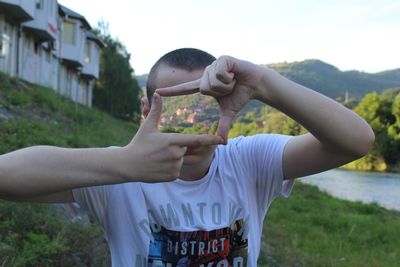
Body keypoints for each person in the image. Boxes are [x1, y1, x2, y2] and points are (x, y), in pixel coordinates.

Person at [0, 48, 374, 266]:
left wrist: (262, 83)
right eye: (176, 109)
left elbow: (355, 141)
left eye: (206, 108)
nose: (192, 127)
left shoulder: (248, 160)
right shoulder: (117, 173)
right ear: (146, 109)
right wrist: (125, 164)